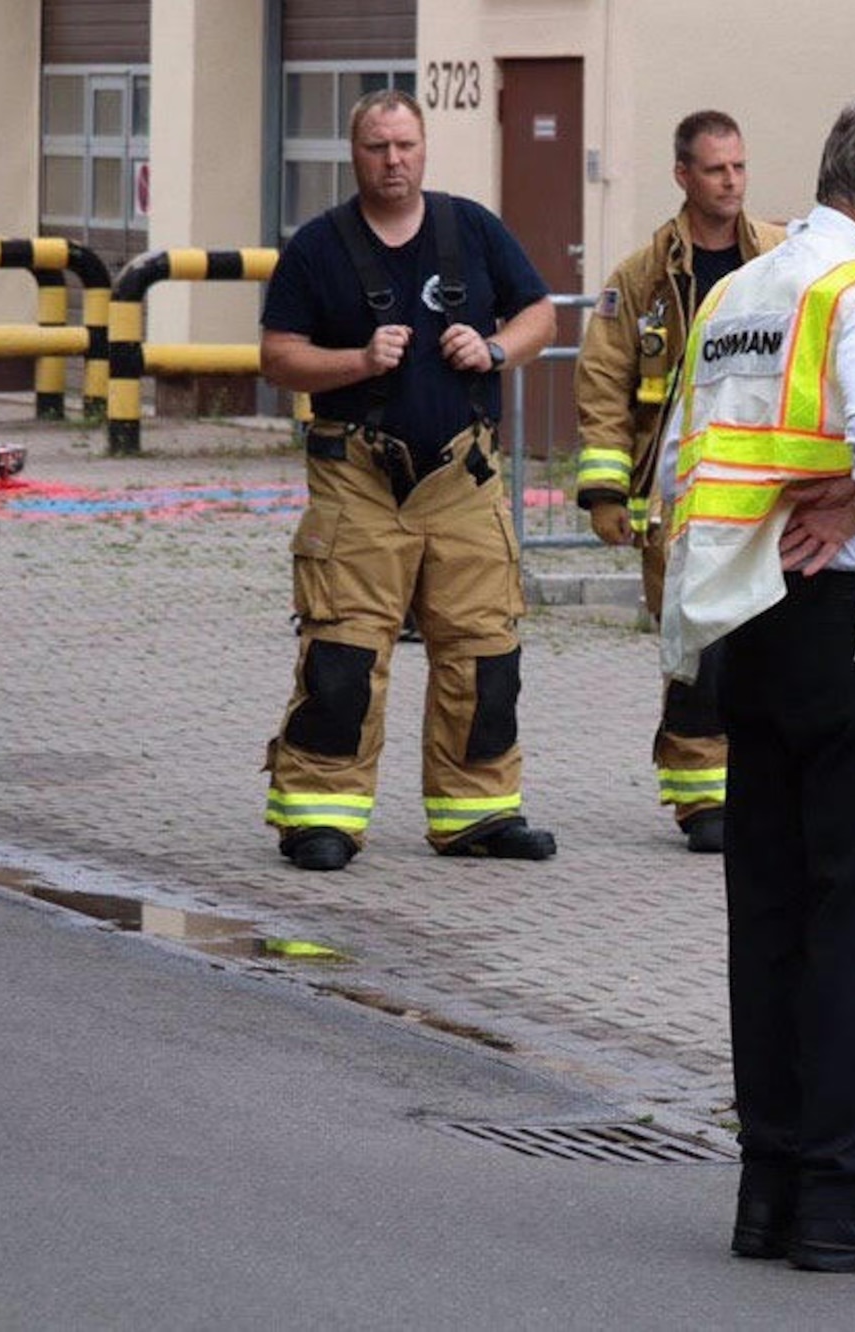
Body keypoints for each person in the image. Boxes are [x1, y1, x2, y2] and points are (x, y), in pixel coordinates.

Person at [659, 96, 855, 1273]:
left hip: (750, 627)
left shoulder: (741, 291)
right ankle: (846, 1193)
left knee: (774, 917)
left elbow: (692, 454)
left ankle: (772, 1187)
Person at [258, 88, 559, 872]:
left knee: (486, 653)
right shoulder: (318, 247)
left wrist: (494, 350)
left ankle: (479, 814)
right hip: (358, 479)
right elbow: (278, 354)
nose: (393, 161)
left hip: (464, 477)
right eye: (377, 148)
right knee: (344, 656)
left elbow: (542, 315)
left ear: (425, 149)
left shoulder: (473, 229)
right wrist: (357, 361)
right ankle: (319, 816)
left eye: (405, 146)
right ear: (353, 154)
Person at [573, 110, 787, 854]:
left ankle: (769, 787)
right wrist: (606, 494)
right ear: (683, 176)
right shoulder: (643, 277)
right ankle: (704, 799)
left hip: (767, 489)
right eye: (715, 169)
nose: (731, 182)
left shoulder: (780, 258)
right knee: (699, 651)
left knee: (774, 643)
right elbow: (603, 381)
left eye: (739, 167)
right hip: (680, 496)